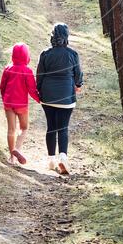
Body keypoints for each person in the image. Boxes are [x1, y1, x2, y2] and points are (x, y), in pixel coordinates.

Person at [37, 23, 83, 175]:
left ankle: (50, 160)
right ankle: (63, 157)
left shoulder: (45, 54)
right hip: (66, 96)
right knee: (62, 128)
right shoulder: (72, 54)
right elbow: (78, 75)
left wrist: (40, 91)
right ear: (66, 36)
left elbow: (40, 75)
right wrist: (78, 85)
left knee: (51, 127)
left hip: (48, 96)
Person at [0, 43, 40, 165]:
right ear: (26, 56)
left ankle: (11, 158)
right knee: (24, 128)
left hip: (8, 103)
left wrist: (5, 99)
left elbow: (2, 86)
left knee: (11, 130)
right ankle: (17, 148)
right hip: (21, 105)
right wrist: (39, 99)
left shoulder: (8, 68)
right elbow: (32, 89)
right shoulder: (27, 71)